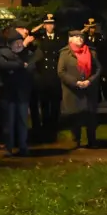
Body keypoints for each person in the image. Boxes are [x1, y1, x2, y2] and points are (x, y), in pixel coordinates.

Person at [59, 29, 103, 148]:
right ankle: (76, 140)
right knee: (75, 116)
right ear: (70, 39)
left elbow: (98, 69)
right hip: (73, 90)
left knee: (90, 116)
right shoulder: (65, 53)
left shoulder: (91, 52)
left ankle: (92, 140)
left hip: (89, 89)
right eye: (77, 37)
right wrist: (75, 82)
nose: (80, 39)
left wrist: (89, 81)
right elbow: (61, 72)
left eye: (81, 37)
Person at [0, 29, 38, 156]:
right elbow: (3, 65)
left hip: (22, 93)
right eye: (16, 43)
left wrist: (18, 65)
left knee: (22, 121)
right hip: (8, 93)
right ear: (10, 44)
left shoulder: (28, 53)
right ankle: (9, 148)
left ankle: (23, 146)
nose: (19, 45)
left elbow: (31, 67)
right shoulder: (3, 52)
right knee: (9, 121)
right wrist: (21, 65)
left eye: (21, 42)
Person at [31, 13, 63, 143]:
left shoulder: (60, 38)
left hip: (55, 75)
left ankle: (54, 128)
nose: (49, 26)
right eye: (47, 24)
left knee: (55, 104)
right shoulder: (40, 38)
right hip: (43, 76)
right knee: (44, 104)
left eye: (51, 24)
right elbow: (30, 33)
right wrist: (40, 26)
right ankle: (45, 128)